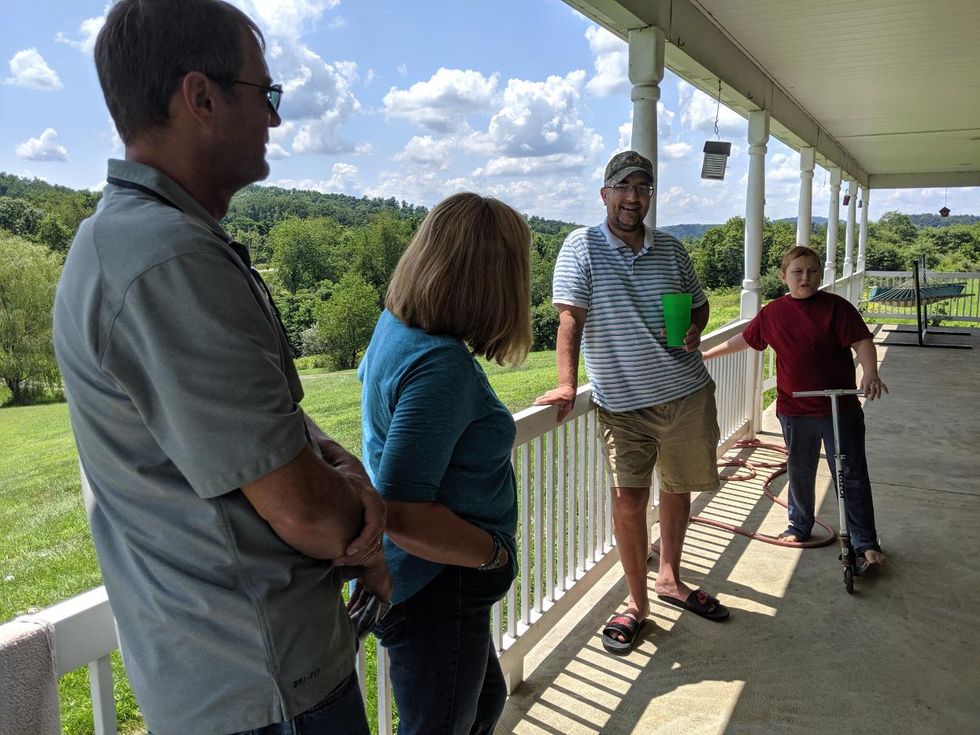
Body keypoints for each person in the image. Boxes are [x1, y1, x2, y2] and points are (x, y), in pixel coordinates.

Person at [51, 2, 390, 733]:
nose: (276, 118)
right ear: (201, 97)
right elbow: (306, 512)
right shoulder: (167, 261)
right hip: (260, 688)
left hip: (234, 680)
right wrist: (364, 516)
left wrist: (336, 466)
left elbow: (266, 418)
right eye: (264, 93)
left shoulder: (128, 244)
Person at [535, 150, 728, 655]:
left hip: (686, 392)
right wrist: (565, 383)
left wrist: (695, 328)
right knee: (629, 501)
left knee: (679, 488)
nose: (633, 197)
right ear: (605, 194)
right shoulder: (581, 247)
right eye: (623, 187)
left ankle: (670, 578)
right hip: (623, 405)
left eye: (643, 188)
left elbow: (700, 303)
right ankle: (637, 604)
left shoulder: (672, 250)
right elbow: (570, 319)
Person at [358, 192, 529, 734]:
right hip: (435, 582)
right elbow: (402, 511)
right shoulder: (440, 365)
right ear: (492, 280)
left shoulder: (396, 328)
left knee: (483, 703)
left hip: (427, 580)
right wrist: (492, 556)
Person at [702, 245, 888, 571]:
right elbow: (746, 339)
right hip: (795, 408)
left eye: (813, 271)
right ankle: (799, 526)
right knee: (800, 470)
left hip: (839, 407)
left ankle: (864, 541)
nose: (806, 278)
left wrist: (870, 372)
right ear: (783, 276)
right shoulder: (773, 312)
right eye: (798, 272)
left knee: (850, 473)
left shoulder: (836, 307)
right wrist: (705, 355)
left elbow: (861, 340)